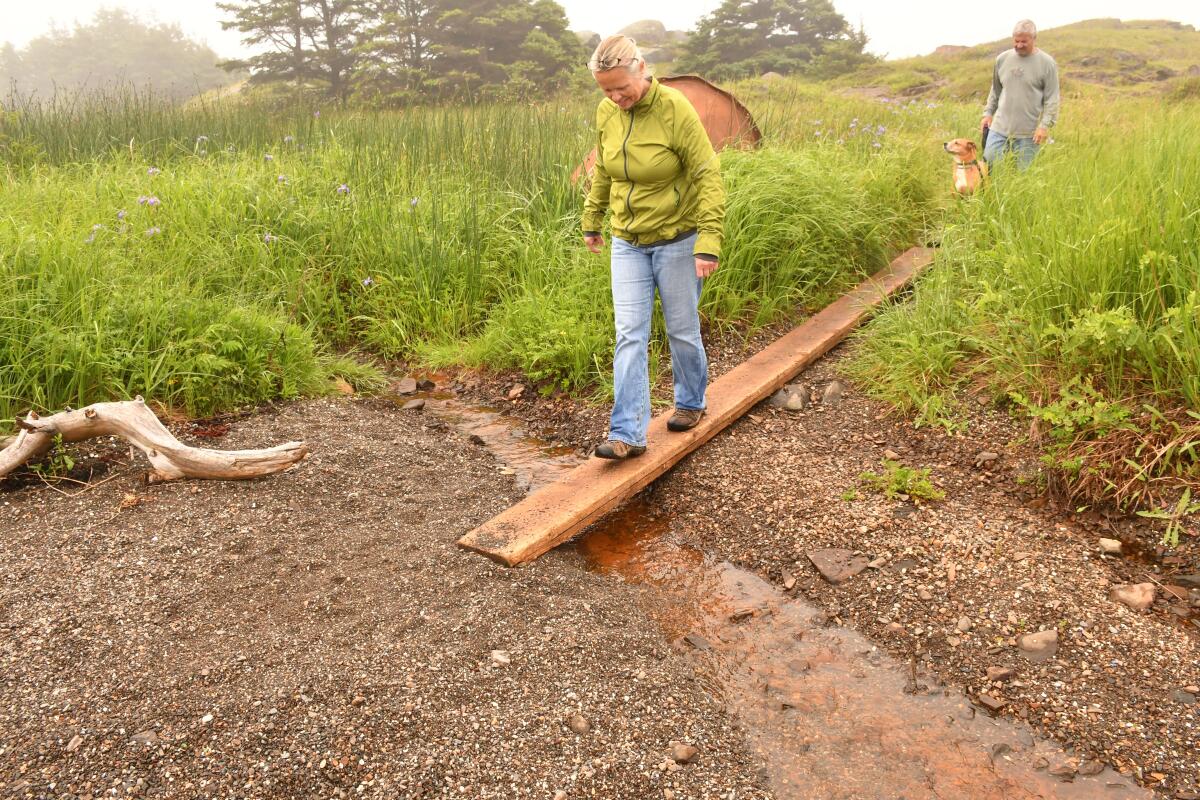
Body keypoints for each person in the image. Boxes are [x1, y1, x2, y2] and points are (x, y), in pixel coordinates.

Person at [581, 35, 726, 460]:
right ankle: (626, 433)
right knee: (629, 334)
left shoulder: (674, 109)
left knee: (681, 329)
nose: (615, 97)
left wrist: (709, 241)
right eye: (605, 89)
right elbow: (605, 170)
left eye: (620, 87)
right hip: (627, 240)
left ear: (641, 68)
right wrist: (592, 220)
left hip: (677, 239)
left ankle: (690, 402)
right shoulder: (608, 111)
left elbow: (706, 174)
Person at [981, 20, 1060, 169]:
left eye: (1024, 41)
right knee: (988, 167)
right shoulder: (1002, 59)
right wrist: (988, 113)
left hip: (1028, 133)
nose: (1019, 45)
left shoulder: (1047, 63)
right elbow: (995, 90)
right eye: (1016, 41)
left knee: (1022, 178)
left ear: (1034, 39)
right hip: (999, 128)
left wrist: (1044, 126)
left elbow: (1052, 98)